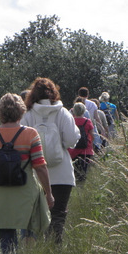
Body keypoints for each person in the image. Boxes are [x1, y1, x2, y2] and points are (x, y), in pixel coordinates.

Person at [0, 93, 55, 254]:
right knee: (30, 226)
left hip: (0, 192)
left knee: (6, 233)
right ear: (21, 112)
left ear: (0, 112)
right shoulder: (30, 134)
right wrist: (48, 193)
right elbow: (40, 167)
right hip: (26, 191)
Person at [22, 77, 80, 245]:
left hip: (35, 174)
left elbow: (23, 145)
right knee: (58, 214)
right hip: (62, 174)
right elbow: (71, 139)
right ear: (54, 92)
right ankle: (55, 249)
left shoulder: (29, 114)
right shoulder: (62, 113)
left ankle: (36, 250)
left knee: (35, 215)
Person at [68, 102, 94, 183]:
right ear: (84, 111)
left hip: (72, 150)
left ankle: (75, 185)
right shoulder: (88, 121)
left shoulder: (71, 121)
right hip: (86, 150)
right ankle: (82, 187)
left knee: (74, 171)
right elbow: (92, 135)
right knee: (84, 172)